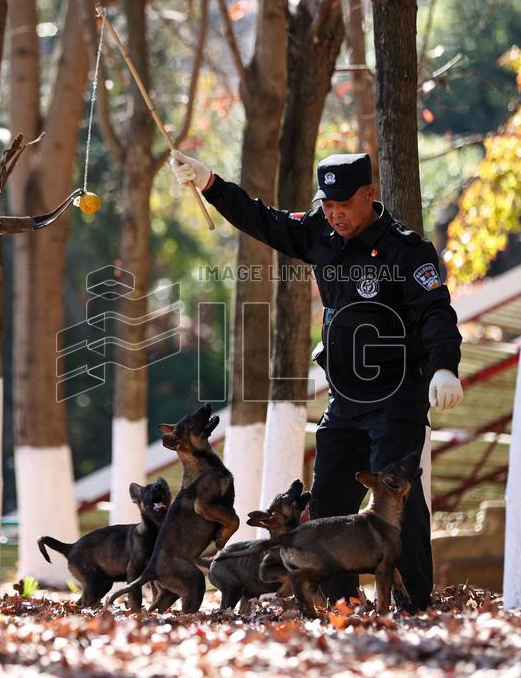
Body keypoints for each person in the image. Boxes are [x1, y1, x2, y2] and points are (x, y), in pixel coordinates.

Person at [170, 150, 464, 611]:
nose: (334, 213)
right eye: (327, 204)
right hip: (344, 399)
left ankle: (414, 603)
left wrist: (445, 364)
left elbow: (436, 312)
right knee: (327, 501)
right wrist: (210, 183)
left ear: (369, 194)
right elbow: (262, 219)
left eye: (343, 203)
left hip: (397, 398)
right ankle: (339, 602)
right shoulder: (319, 232)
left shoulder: (407, 249)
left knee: (395, 500)